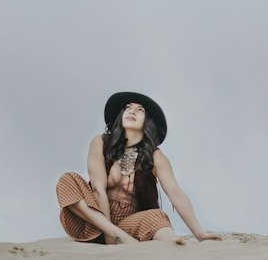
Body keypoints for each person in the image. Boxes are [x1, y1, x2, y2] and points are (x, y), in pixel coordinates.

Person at [56, 92, 222, 245]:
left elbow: (175, 193)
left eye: (139, 110)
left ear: (147, 121)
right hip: (95, 221)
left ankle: (170, 244)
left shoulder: (155, 156)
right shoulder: (100, 143)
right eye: (128, 108)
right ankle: (116, 235)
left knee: (158, 217)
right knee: (67, 180)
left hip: (129, 225)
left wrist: (199, 233)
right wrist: (111, 235)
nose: (132, 111)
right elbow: (99, 189)